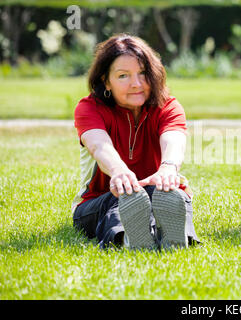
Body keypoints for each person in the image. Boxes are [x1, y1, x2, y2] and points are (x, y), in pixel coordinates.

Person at [72, 34, 199, 250]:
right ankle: (127, 238)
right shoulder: (89, 108)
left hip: (156, 190)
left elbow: (174, 139)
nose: (136, 84)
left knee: (172, 193)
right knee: (125, 195)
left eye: (143, 73)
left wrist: (169, 168)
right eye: (123, 76)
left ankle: (177, 239)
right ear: (105, 80)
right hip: (99, 200)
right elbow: (98, 145)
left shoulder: (168, 106)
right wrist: (119, 172)